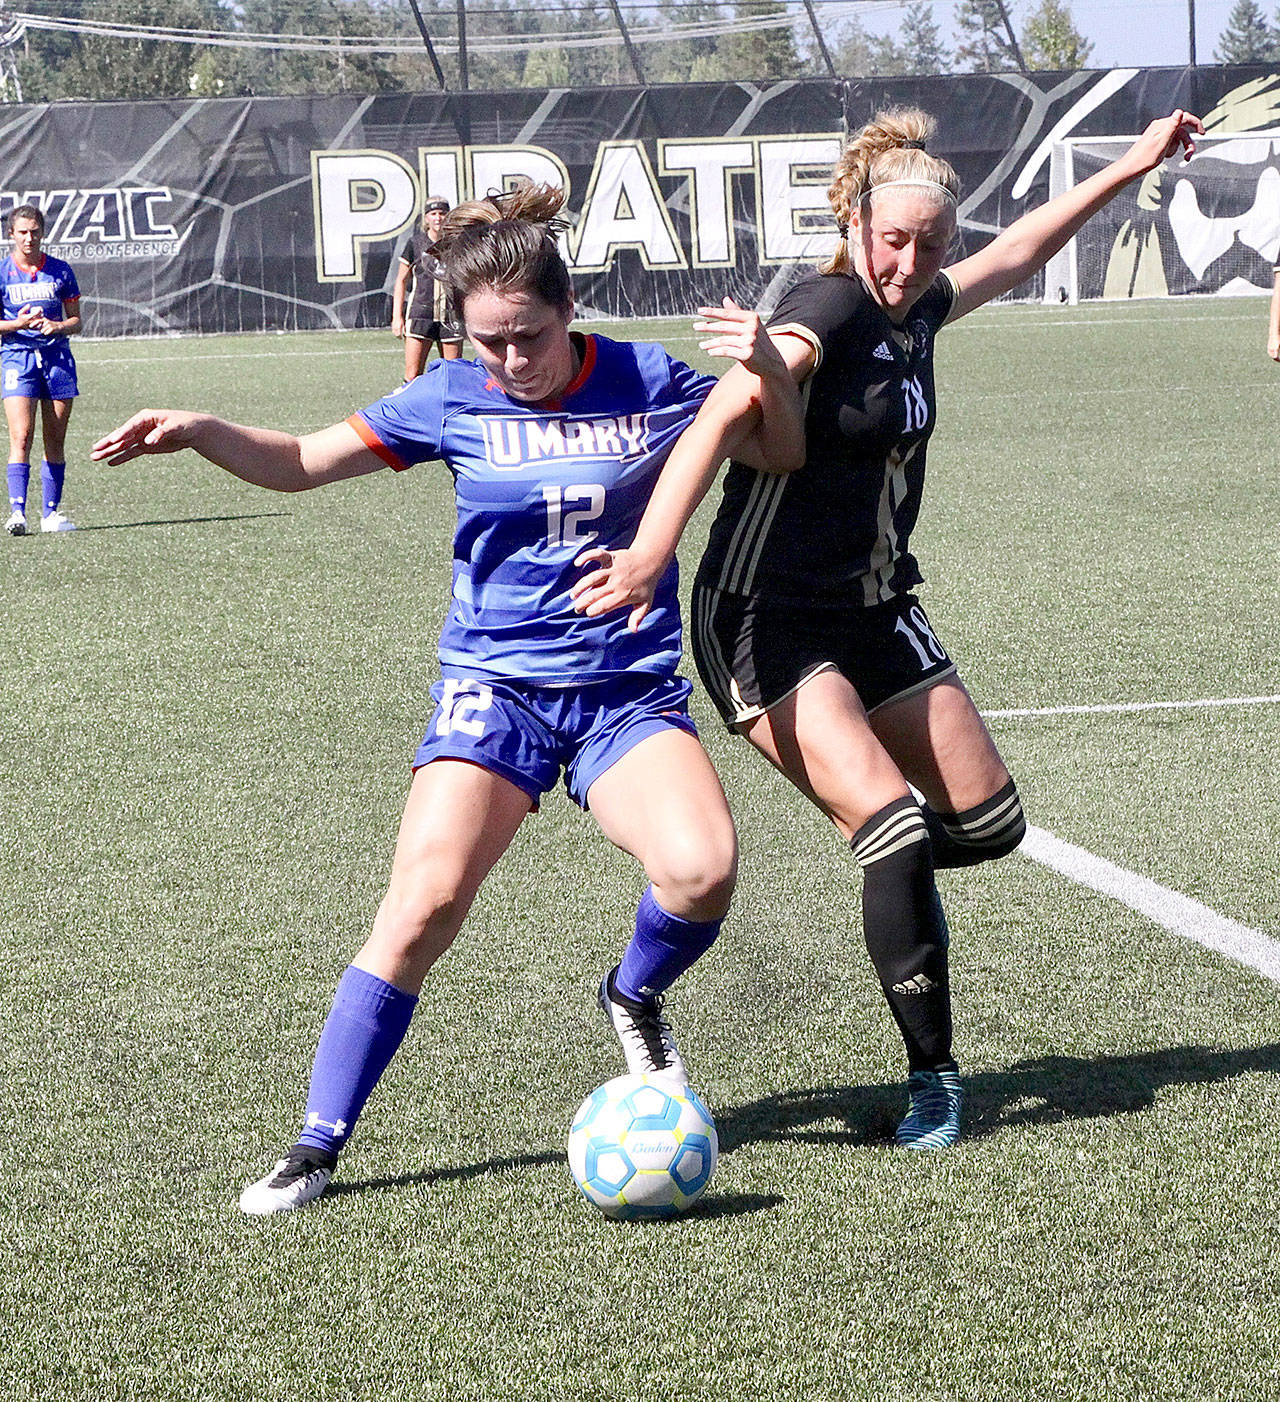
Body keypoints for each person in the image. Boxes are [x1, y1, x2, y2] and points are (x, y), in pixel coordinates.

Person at [91, 181, 803, 1214]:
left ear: (568, 312)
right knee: (422, 905)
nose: (511, 361)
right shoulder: (449, 397)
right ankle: (315, 1143)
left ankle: (632, 994)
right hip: (494, 689)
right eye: (486, 343)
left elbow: (774, 448)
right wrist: (203, 428)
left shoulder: (645, 376)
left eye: (528, 337)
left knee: (700, 870)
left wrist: (769, 371)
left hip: (622, 692)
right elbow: (299, 462)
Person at [572, 107, 1203, 1151]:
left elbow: (1020, 249)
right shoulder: (827, 303)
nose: (907, 262)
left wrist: (1129, 164)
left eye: (928, 245)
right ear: (855, 226)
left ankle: (885, 874)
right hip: (765, 620)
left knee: (988, 825)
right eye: (891, 240)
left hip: (874, 607)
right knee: (895, 828)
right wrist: (647, 554)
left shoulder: (917, 309)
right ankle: (933, 1083)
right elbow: (725, 414)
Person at [3, 203, 82, 535]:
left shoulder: (61, 271)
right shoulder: (3, 271)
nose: (29, 238)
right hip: (17, 358)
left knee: (55, 438)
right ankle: (17, 513)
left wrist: (57, 326)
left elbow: (77, 321)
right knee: (21, 435)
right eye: (22, 232)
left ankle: (50, 515)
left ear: (43, 233)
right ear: (11, 235)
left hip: (57, 361)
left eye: (34, 231)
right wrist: (17, 323)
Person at [391, 195, 463, 382]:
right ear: (426, 218)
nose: (438, 218)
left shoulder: (457, 243)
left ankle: (449, 411)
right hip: (420, 314)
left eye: (442, 213)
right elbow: (401, 281)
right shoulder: (415, 244)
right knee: (412, 375)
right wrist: (397, 317)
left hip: (450, 315)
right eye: (433, 213)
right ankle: (412, 411)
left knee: (453, 375)